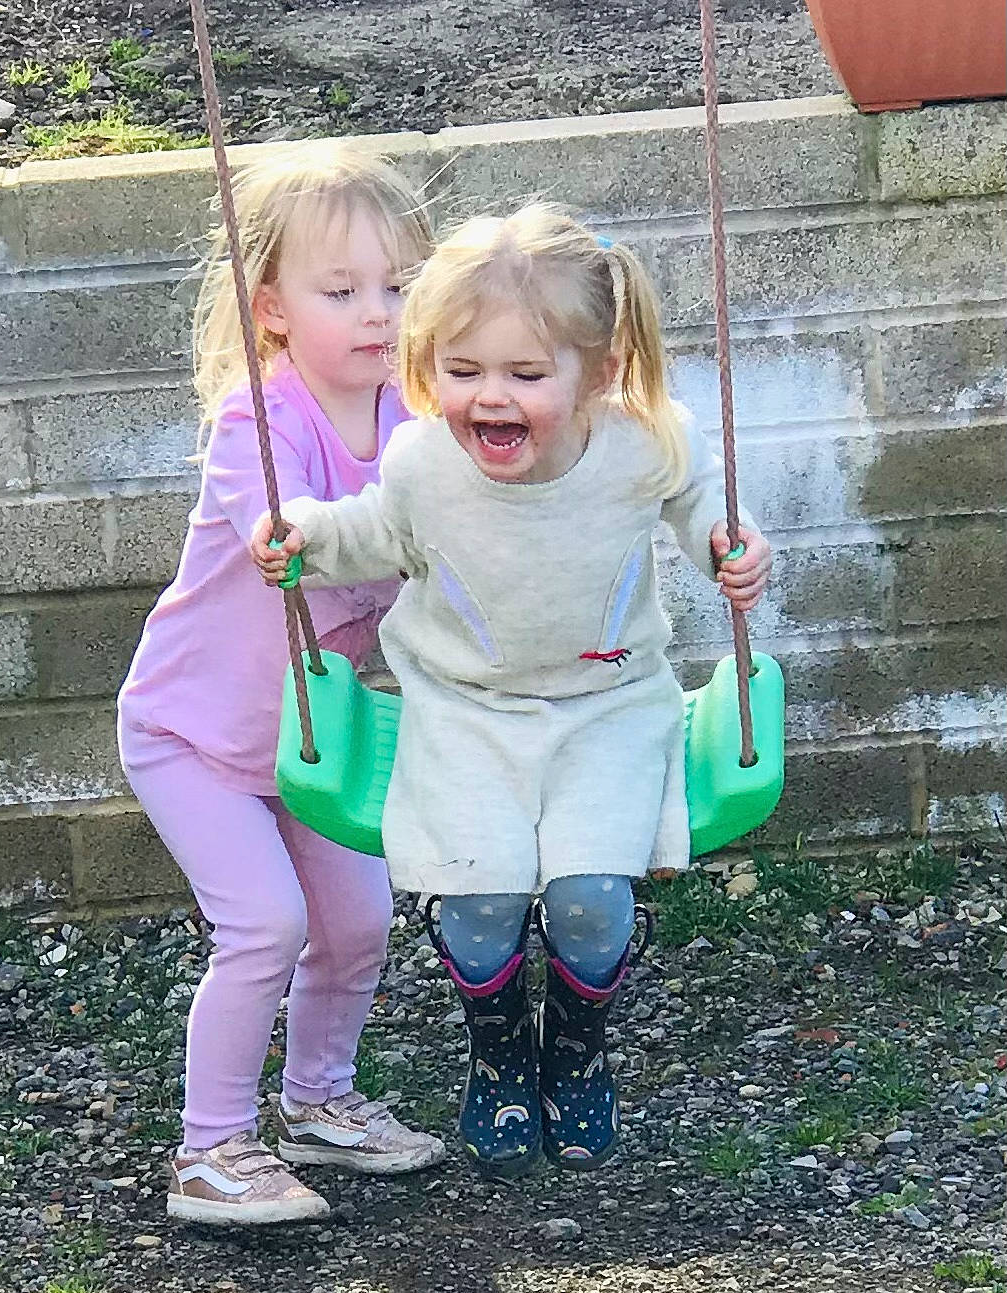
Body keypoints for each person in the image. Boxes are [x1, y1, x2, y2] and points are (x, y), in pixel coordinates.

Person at [253, 203, 772, 1176]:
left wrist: (726, 544)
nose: (490, 397)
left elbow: (706, 502)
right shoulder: (423, 463)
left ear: (600, 372)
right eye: (463, 371)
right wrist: (306, 540)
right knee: (479, 904)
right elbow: (373, 532)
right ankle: (498, 1054)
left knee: (590, 898)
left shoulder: (643, 443)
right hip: (463, 710)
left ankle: (575, 1052)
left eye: (526, 375)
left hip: (609, 711)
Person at [117, 141, 445, 1226]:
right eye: (342, 289)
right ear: (271, 308)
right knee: (265, 923)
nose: (379, 313)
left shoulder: (416, 423)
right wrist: (281, 530)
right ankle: (210, 1151)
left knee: (356, 920)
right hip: (195, 737)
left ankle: (317, 1103)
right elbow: (270, 513)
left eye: (399, 286)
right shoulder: (259, 422)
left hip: (312, 736)